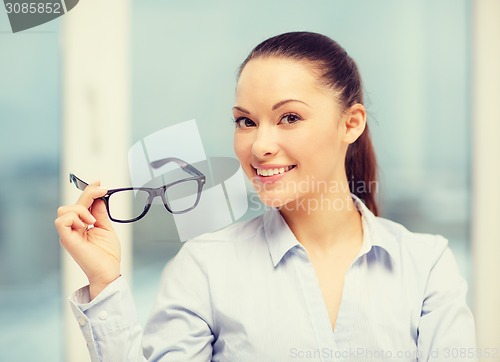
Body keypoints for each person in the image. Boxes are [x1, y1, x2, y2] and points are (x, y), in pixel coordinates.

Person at [55, 31, 477, 361]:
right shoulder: (206, 267)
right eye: (245, 121)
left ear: (351, 124)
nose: (259, 147)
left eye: (289, 117)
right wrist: (105, 282)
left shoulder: (426, 266)